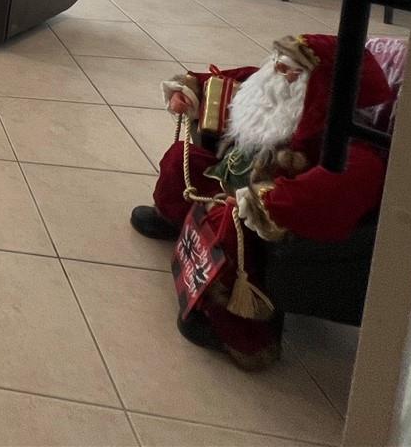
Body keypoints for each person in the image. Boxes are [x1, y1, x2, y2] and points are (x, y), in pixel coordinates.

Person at [130, 33, 392, 370]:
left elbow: (342, 188)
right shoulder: (271, 90)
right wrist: (190, 89)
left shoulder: (346, 143)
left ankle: (241, 333)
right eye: (278, 61)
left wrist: (267, 202)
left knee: (229, 228)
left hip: (260, 211)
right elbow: (230, 83)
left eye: (290, 69)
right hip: (231, 176)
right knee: (186, 160)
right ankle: (172, 217)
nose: (277, 70)